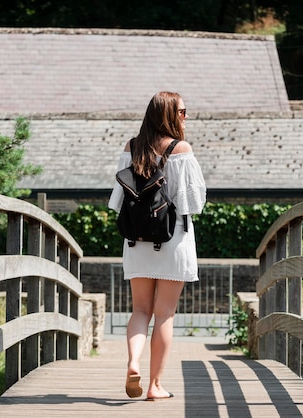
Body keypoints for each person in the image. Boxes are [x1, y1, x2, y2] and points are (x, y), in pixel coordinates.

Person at [108, 91, 206, 401]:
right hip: (172, 238)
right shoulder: (181, 150)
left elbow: (116, 201)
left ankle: (133, 362)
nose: (185, 116)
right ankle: (154, 386)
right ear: (168, 116)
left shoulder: (132, 147)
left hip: (136, 241)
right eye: (181, 112)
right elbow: (193, 203)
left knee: (140, 309)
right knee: (164, 314)